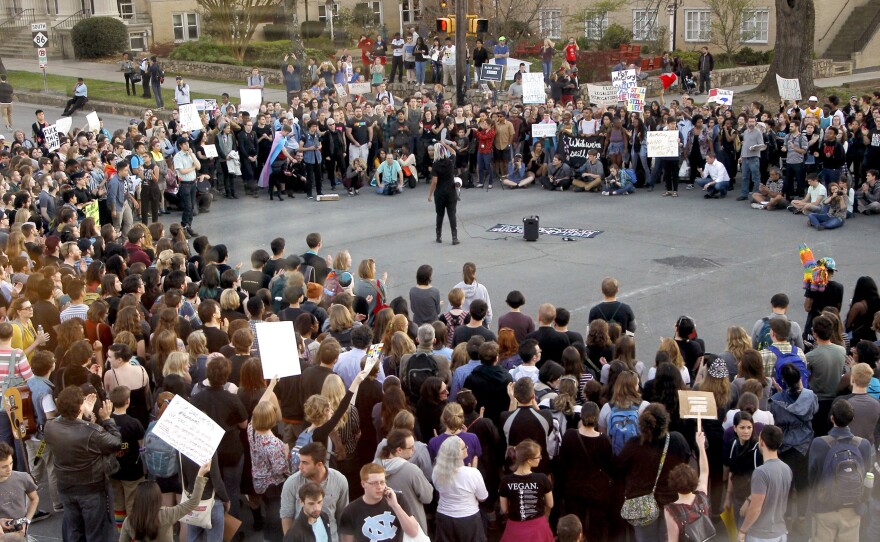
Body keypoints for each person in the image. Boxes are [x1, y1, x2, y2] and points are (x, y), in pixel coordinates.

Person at [43, 386, 121, 542]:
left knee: (73, 529)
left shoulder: (50, 427)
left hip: (66, 487)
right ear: (79, 407)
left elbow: (74, 427)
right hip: (92, 490)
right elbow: (116, 443)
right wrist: (107, 419)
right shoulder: (92, 432)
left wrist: (85, 416)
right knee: (97, 533)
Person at [616, 403, 691, 541]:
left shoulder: (634, 445)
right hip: (671, 503)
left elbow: (618, 469)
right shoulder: (677, 441)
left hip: (640, 505)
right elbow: (686, 463)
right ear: (665, 421)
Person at [807, 399, 875, 540]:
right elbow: (865, 471)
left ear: (832, 418)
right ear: (852, 419)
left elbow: (812, 477)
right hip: (853, 507)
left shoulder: (819, 443)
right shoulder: (864, 444)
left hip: (825, 506)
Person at [119, 461, 212, 542]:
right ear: (157, 498)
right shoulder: (166, 514)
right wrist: (200, 475)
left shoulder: (129, 521)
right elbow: (193, 502)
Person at [281, 442, 349, 541]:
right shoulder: (292, 483)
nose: (300, 467)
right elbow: (287, 515)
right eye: (300, 462)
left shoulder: (339, 480)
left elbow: (342, 515)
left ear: (319, 464)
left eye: (305, 463)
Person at [339, 463, 420, 542]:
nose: (379, 487)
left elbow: (413, 532)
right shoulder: (351, 510)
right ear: (363, 484)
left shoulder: (398, 499)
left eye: (382, 482)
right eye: (374, 483)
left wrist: (395, 506)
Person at [737, 425, 791, 542]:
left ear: (762, 442)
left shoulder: (760, 472)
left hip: (761, 535)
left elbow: (755, 509)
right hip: (780, 531)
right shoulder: (787, 469)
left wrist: (742, 530)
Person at [375, 428, 433, 533]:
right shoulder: (412, 471)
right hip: (413, 527)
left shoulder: (373, 469)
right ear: (399, 450)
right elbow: (427, 497)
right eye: (411, 447)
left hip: (385, 528)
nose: (414, 449)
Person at [432, 436, 488, 541]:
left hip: (444, 518)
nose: (467, 447)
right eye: (464, 447)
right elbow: (483, 497)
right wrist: (473, 472)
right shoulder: (472, 473)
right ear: (457, 453)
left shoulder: (436, 472)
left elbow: (438, 489)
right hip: (468, 519)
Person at [499, 439, 554, 542]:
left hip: (515, 528)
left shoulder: (506, 481)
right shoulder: (542, 478)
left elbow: (504, 508)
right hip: (538, 527)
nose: (540, 459)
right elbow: (550, 504)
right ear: (529, 460)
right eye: (538, 457)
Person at [664, 430, 710, 542]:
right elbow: (704, 472)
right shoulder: (701, 497)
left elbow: (672, 539)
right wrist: (701, 446)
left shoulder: (671, 510)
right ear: (694, 480)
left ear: (673, 484)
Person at [723, 411, 763, 529]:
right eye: (742, 427)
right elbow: (732, 471)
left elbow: (761, 482)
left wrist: (749, 501)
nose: (746, 431)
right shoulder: (733, 444)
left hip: (752, 501)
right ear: (735, 428)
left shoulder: (757, 451)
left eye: (749, 427)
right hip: (737, 497)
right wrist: (728, 497)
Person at [0, 442, 39, 531]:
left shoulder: (23, 477)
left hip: (21, 531)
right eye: (4, 467)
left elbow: (34, 499)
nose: (9, 469)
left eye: (11, 463)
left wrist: (27, 520)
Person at [428, 141, 459, 245]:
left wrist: (430, 194)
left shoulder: (435, 165)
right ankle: (454, 237)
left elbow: (435, 181)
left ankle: (438, 236)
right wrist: (445, 144)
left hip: (440, 193)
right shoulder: (450, 161)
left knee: (440, 215)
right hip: (451, 191)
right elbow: (454, 151)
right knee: (452, 214)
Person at [173, 138, 201, 238]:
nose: (187, 145)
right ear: (180, 145)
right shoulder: (178, 157)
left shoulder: (190, 154)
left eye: (187, 143)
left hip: (193, 183)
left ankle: (189, 226)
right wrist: (192, 168)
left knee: (192, 206)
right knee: (187, 207)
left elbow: (198, 166)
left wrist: (192, 155)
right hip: (185, 184)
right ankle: (183, 227)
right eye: (184, 144)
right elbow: (182, 171)